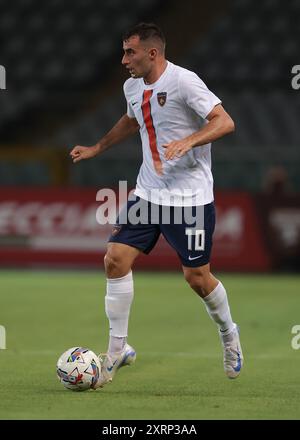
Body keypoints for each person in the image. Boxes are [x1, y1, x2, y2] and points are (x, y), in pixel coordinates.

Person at [70, 23, 243, 388]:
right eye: (123, 52)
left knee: (196, 278)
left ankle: (229, 333)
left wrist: (190, 141)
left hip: (190, 199)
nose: (123, 60)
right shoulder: (132, 87)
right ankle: (118, 348)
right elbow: (132, 121)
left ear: (152, 53)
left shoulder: (184, 82)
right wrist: (97, 148)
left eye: (130, 52)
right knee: (114, 258)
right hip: (149, 193)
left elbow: (225, 122)